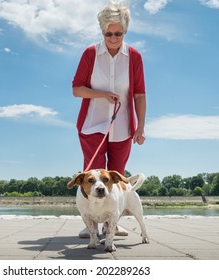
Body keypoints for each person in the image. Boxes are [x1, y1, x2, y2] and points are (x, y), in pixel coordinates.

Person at [72, 2, 147, 238]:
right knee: (91, 176)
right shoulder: (90, 53)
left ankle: (112, 223)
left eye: (118, 33)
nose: (113, 38)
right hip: (92, 125)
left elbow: (139, 94)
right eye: (108, 33)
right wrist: (102, 94)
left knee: (117, 177)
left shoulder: (133, 56)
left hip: (123, 126)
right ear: (102, 31)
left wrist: (141, 126)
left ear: (125, 31)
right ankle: (91, 224)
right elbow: (77, 89)